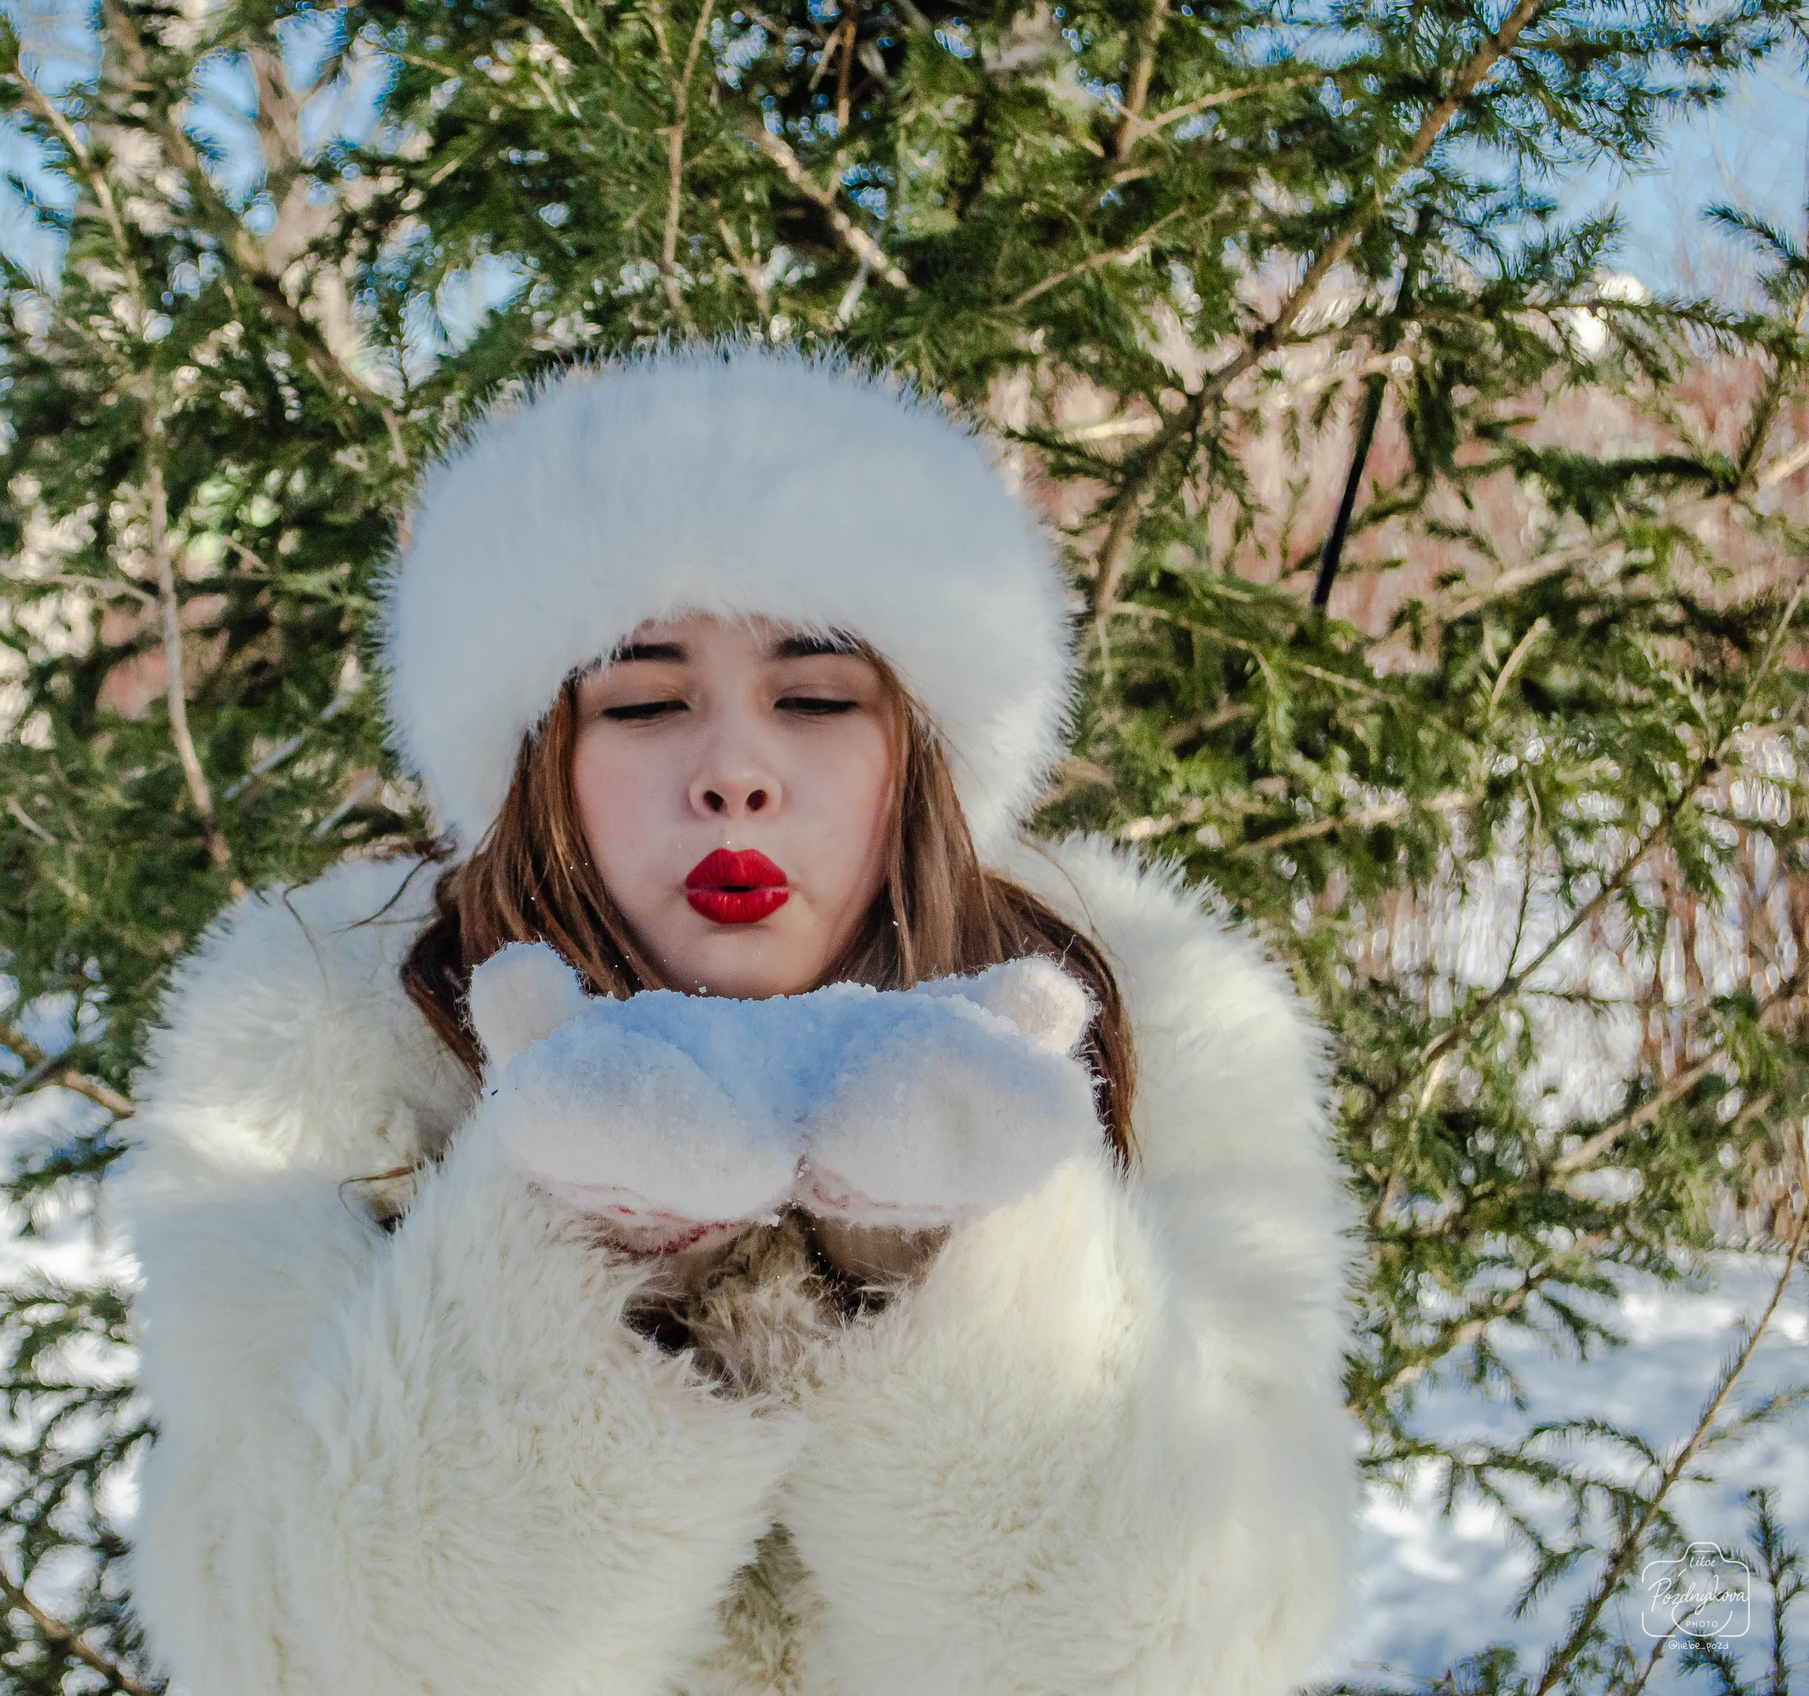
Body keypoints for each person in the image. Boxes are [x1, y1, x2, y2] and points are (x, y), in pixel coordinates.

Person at [106, 344, 1368, 1696]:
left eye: (816, 698)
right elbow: (297, 1656)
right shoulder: (324, 1047)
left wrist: (955, 1265)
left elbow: (1208, 1647)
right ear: (542, 763)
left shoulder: (1153, 1026)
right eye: (645, 701)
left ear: (918, 752)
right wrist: (575, 1247)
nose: (735, 776)